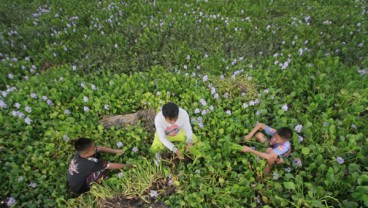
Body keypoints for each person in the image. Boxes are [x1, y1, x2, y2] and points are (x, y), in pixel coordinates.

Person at [67, 138, 133, 195]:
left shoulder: (80, 153)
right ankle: (97, 183)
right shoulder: (90, 164)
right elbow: (109, 165)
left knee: (96, 156)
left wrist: (115, 151)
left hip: (76, 179)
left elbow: (99, 148)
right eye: (93, 149)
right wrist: (128, 165)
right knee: (102, 169)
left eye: (94, 146)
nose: (96, 148)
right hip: (81, 188)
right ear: (85, 155)